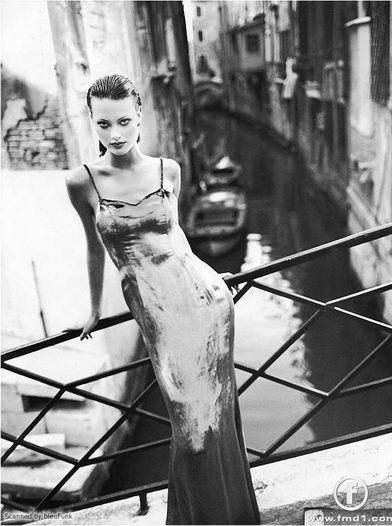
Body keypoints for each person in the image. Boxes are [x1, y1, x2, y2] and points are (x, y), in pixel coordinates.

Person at [65, 74, 260, 525]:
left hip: (205, 301)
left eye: (124, 121)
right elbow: (94, 249)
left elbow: (177, 238)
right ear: (92, 122)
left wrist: (209, 273)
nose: (115, 134)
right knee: (191, 427)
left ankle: (227, 516)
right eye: (104, 123)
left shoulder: (167, 170)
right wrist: (94, 310)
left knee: (215, 418)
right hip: (156, 311)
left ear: (139, 116)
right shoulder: (82, 182)